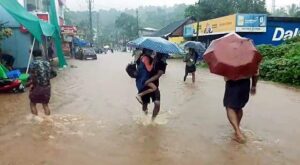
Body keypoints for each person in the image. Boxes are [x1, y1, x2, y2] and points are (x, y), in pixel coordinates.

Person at [223, 71, 259, 143]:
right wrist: (254, 86)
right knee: (238, 107)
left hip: (232, 82)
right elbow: (256, 73)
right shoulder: (250, 59)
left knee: (229, 106)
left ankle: (238, 132)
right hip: (245, 83)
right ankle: (237, 129)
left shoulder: (229, 59)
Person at [140, 52, 167, 121]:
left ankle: (152, 120)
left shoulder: (162, 63)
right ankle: (145, 117)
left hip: (154, 86)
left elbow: (158, 75)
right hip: (145, 85)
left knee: (157, 104)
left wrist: (148, 81)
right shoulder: (149, 59)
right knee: (145, 104)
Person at [29, 50, 52, 116]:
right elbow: (54, 74)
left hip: (38, 86)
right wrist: (46, 78)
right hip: (47, 87)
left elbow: (32, 76)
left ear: (33, 56)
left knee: (32, 103)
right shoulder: (47, 63)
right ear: (41, 55)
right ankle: (48, 119)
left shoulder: (33, 64)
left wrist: (31, 85)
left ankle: (35, 119)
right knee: (45, 104)